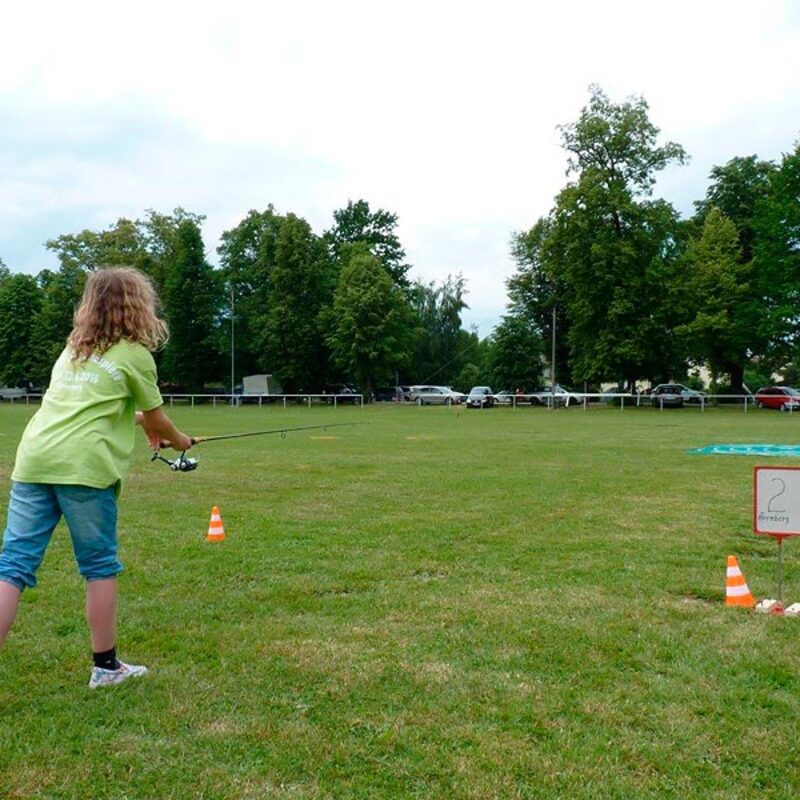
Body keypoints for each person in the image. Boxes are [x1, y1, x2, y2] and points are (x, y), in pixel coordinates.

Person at [0, 266, 193, 687]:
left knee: (12, 566)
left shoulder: (73, 349)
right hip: (84, 469)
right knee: (99, 566)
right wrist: (179, 440)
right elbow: (159, 418)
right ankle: (106, 668)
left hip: (34, 460)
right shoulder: (135, 355)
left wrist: (141, 423)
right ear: (137, 305)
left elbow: (96, 406)